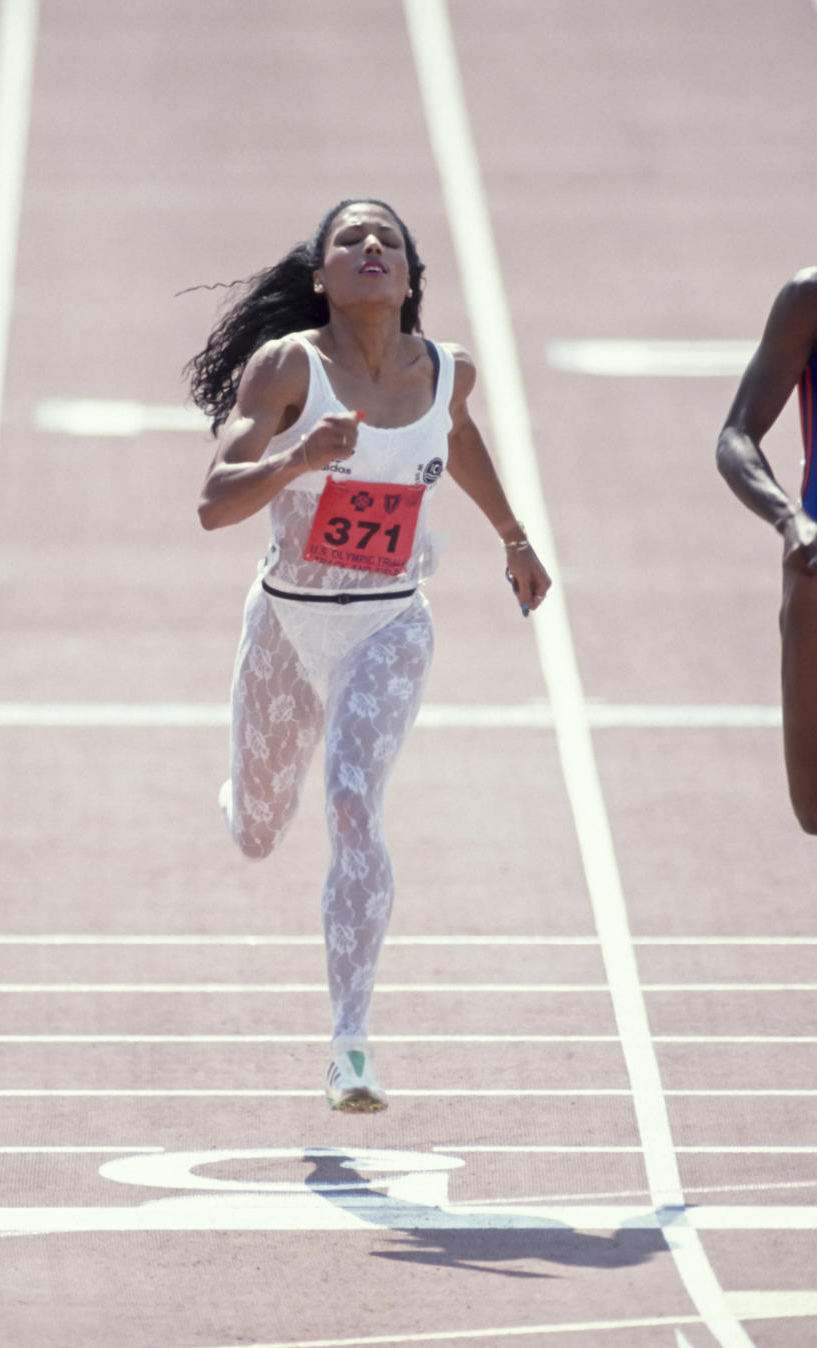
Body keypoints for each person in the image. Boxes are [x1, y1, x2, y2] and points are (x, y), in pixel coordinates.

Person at [190, 198, 551, 1112]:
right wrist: (299, 457)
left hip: (388, 623)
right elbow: (214, 503)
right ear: (321, 277)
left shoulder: (446, 371)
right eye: (349, 239)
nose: (370, 247)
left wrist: (513, 534)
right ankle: (244, 788)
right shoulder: (287, 368)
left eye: (387, 238)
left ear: (409, 276)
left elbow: (455, 436)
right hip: (285, 618)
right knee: (259, 830)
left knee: (352, 795)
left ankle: (350, 1041)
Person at [717, 269, 817, 834]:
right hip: (816, 566)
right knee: (814, 807)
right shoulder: (810, 298)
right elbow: (736, 437)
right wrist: (790, 519)